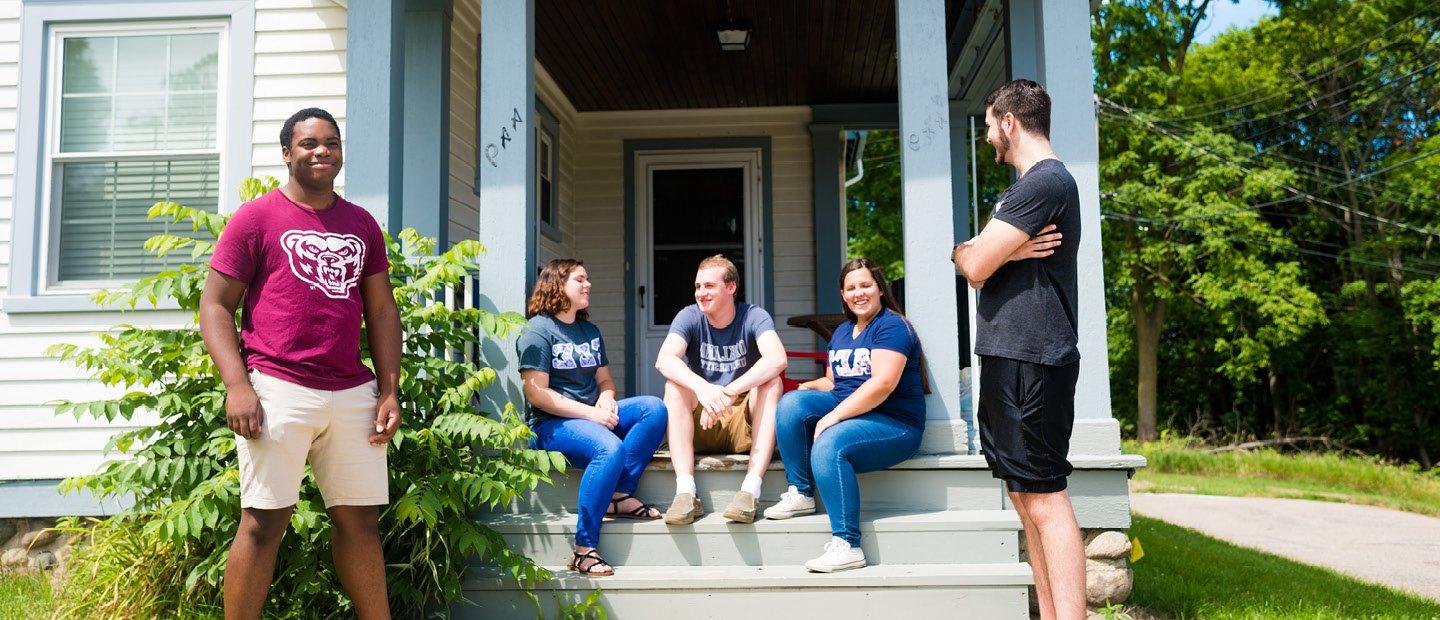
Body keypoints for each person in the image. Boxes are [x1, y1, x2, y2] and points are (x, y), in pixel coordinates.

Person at [202, 107, 400, 619]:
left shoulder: (361, 223)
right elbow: (215, 307)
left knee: (360, 522)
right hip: (277, 386)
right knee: (264, 521)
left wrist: (389, 390)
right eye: (309, 143)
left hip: (352, 390)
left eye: (331, 143)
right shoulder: (256, 217)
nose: (321, 151)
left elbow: (380, 309)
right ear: (287, 153)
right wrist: (237, 386)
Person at [951, 78, 1084, 620]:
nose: (987, 139)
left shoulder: (1045, 182)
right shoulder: (1021, 191)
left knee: (1046, 498)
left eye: (988, 126)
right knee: (1024, 497)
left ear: (1009, 121)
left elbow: (975, 265)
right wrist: (992, 251)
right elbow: (966, 254)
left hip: (1036, 356)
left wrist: (985, 253)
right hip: (1011, 356)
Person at [764, 258, 926, 573]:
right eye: (851, 288)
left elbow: (883, 384)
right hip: (850, 409)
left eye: (865, 285)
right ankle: (800, 492)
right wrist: (809, 389)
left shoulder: (891, 326)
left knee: (829, 443)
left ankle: (848, 545)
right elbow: (834, 382)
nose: (859, 293)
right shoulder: (842, 331)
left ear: (880, 289)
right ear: (842, 294)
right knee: (790, 404)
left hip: (893, 422)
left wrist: (833, 416)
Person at [517, 259, 668, 576]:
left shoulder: (589, 331)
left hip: (591, 414)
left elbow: (606, 382)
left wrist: (607, 397)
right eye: (580, 280)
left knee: (653, 408)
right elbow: (537, 393)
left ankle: (619, 492)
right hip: (550, 425)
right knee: (609, 448)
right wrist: (592, 414)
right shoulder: (537, 331)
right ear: (558, 285)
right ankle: (584, 549)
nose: (588, 285)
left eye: (588, 279)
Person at [656, 255, 788, 524]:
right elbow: (664, 359)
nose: (701, 293)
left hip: (741, 421)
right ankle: (685, 493)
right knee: (674, 387)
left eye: (709, 286)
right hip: (702, 422)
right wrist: (704, 389)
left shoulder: (753, 316)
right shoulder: (689, 316)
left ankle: (750, 490)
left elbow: (777, 358)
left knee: (772, 382)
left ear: (731, 288)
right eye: (697, 286)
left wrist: (727, 392)